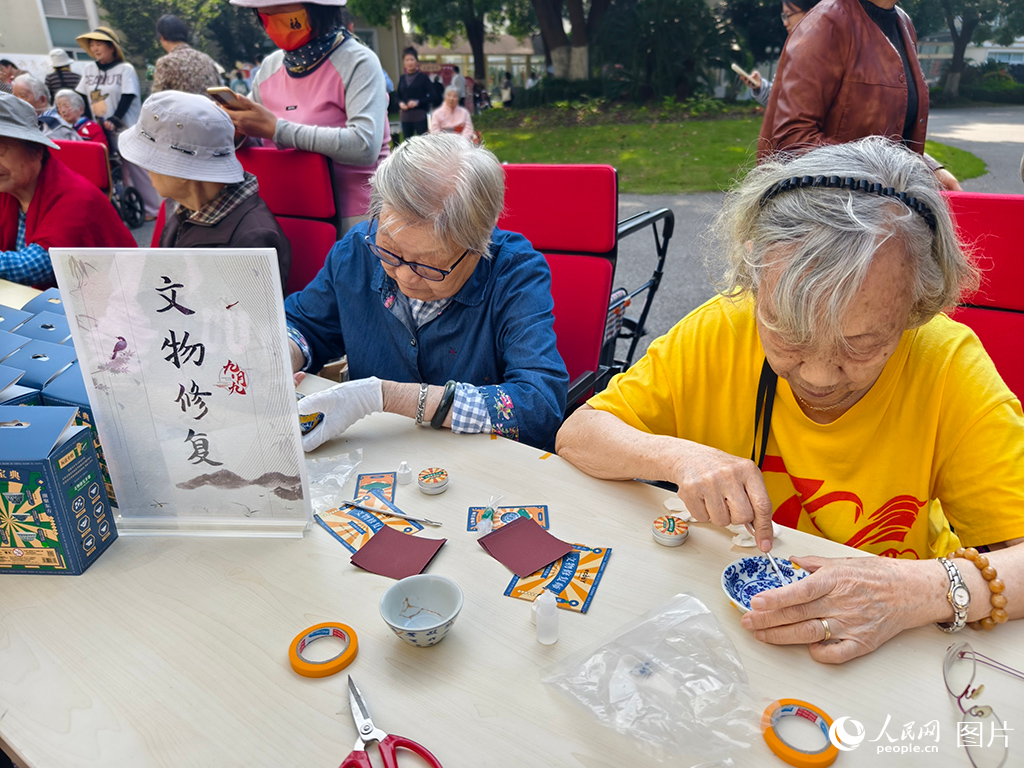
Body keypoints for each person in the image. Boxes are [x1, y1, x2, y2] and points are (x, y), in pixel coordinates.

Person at [556, 137, 1024, 663]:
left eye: (862, 344)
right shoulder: (723, 326)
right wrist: (679, 457)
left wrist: (913, 590)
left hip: (893, 643)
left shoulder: (948, 364)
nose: (820, 376)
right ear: (754, 283)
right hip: (731, 634)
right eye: (787, 335)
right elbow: (578, 434)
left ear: (918, 306)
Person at [286, 133, 568, 452]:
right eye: (391, 251)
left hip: (480, 465)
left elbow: (539, 406)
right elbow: (305, 325)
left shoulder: (514, 272)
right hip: (377, 452)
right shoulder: (358, 250)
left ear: (479, 245)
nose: (405, 276)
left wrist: (386, 397)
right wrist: (280, 359)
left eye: (430, 266)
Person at [225, 0, 390, 237]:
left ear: (318, 9)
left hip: (355, 220)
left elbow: (364, 144)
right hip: (285, 211)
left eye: (282, 12)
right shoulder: (270, 68)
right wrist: (238, 130)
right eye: (265, 14)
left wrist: (276, 130)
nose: (272, 22)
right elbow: (258, 136)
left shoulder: (358, 61)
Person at [758, 0, 960, 191]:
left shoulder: (903, 22)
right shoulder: (827, 21)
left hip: (878, 210)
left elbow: (894, 137)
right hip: (827, 214)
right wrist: (883, 173)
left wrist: (929, 168)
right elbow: (792, 140)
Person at [119, 91, 292, 291]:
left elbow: (247, 319)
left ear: (181, 170)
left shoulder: (252, 239)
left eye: (150, 162)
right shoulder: (181, 206)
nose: (146, 170)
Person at [0, 93, 135, 287]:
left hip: (104, 300)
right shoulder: (9, 188)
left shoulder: (76, 196)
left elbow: (39, 264)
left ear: (37, 150)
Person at [75, 26, 162, 219]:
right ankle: (129, 208)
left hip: (125, 126)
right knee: (114, 169)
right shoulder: (89, 69)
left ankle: (151, 209)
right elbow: (82, 96)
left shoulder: (125, 69)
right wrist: (88, 123)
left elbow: (128, 95)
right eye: (92, 45)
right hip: (99, 129)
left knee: (136, 168)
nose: (95, 49)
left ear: (111, 47)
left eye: (99, 44)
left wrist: (115, 119)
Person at [738, 0, 821, 107]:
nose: (785, 22)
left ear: (810, 13)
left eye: (788, 15)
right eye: (783, 16)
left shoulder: (819, 53)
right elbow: (779, 100)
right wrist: (760, 86)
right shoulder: (793, 49)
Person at [152, 14, 222, 94]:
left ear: (162, 37)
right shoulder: (207, 59)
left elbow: (157, 98)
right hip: (210, 106)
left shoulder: (166, 62)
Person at [12, 74, 80, 142]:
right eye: (14, 96)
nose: (16, 101)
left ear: (42, 100)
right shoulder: (35, 121)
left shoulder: (51, 126)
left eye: (22, 96)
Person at [395, 46, 433, 141]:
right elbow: (397, 96)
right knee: (407, 145)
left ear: (417, 61)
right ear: (404, 62)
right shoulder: (402, 78)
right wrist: (400, 103)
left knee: (423, 145)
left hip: (420, 117)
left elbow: (434, 96)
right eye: (407, 60)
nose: (410, 62)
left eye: (412, 59)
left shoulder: (423, 78)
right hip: (405, 118)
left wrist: (418, 102)